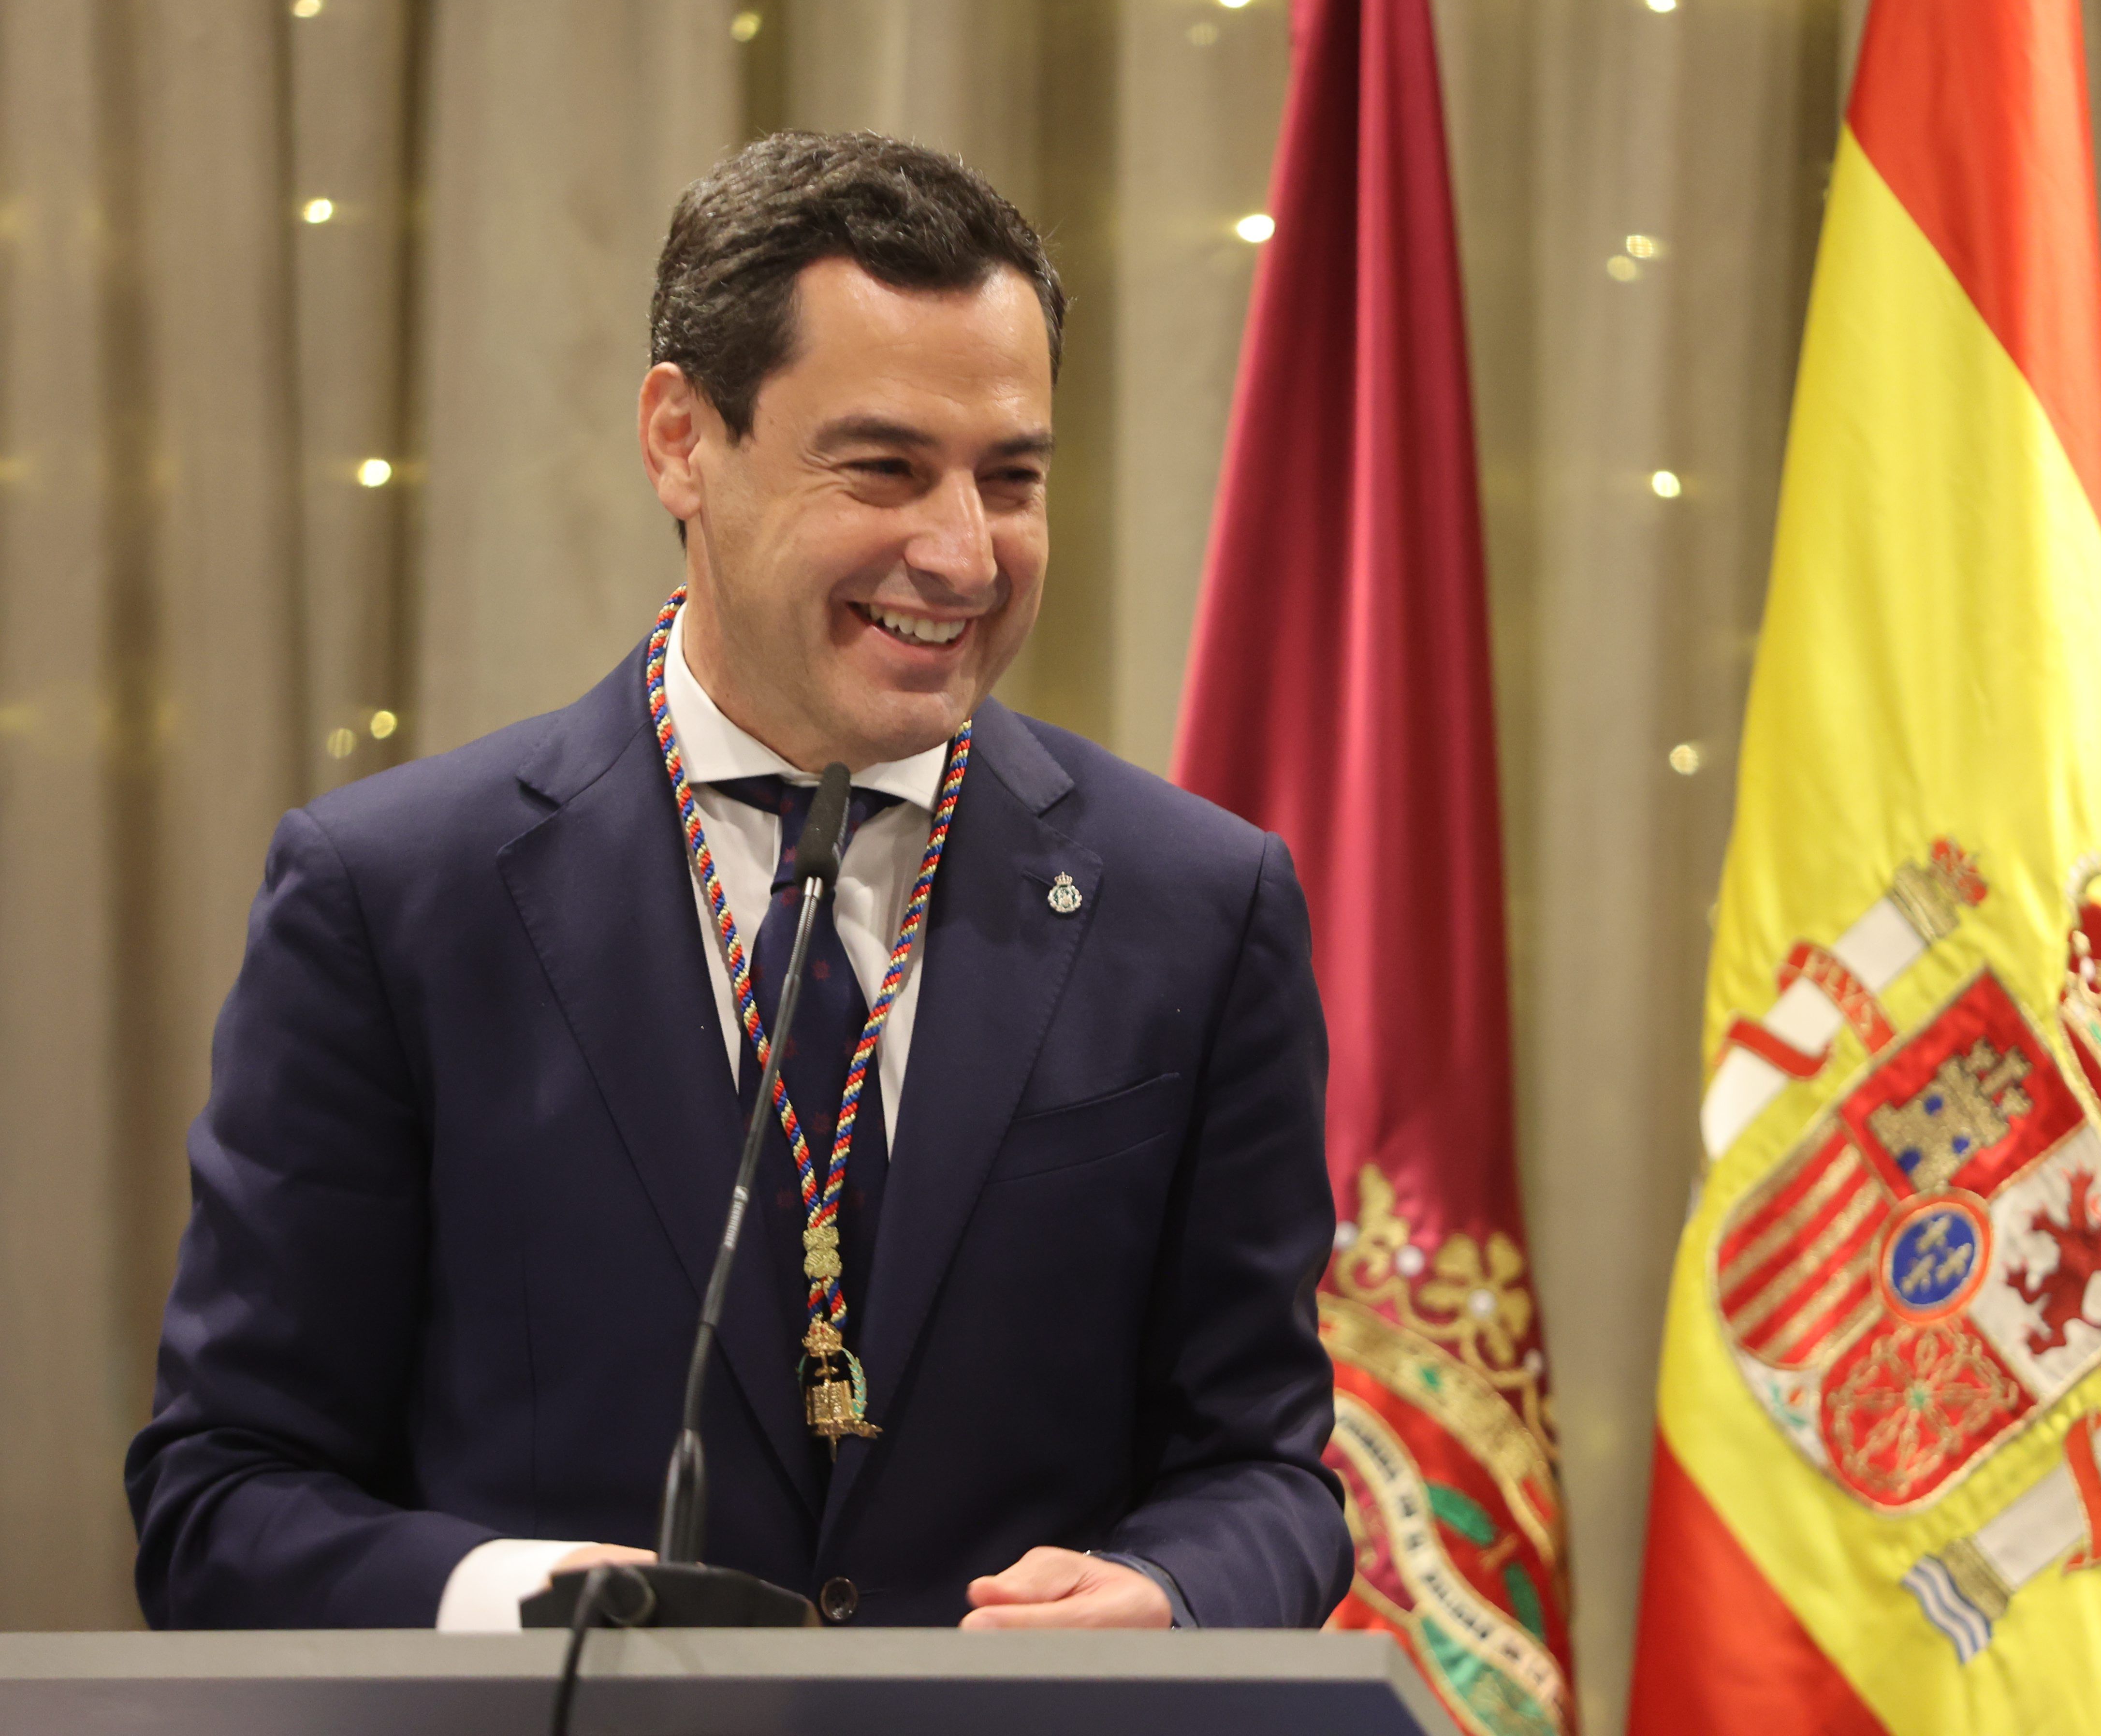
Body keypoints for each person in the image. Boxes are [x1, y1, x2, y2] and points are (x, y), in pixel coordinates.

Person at [126, 132, 1350, 1633]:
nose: (961, 553)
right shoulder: (391, 901)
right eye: (885, 467)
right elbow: (223, 1495)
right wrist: (516, 1599)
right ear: (679, 441)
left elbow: (1269, 1477)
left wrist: (1169, 1592)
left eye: (1010, 480)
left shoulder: (1199, 905)